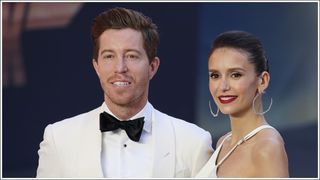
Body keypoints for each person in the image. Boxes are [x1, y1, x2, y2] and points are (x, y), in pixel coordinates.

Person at [36, 7, 213, 178]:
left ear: (152, 67)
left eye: (131, 56)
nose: (120, 68)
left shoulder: (194, 142)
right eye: (109, 56)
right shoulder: (58, 138)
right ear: (96, 66)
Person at [196, 31, 289, 178]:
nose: (223, 86)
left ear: (262, 81)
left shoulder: (267, 147)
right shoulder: (223, 142)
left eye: (235, 75)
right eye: (215, 75)